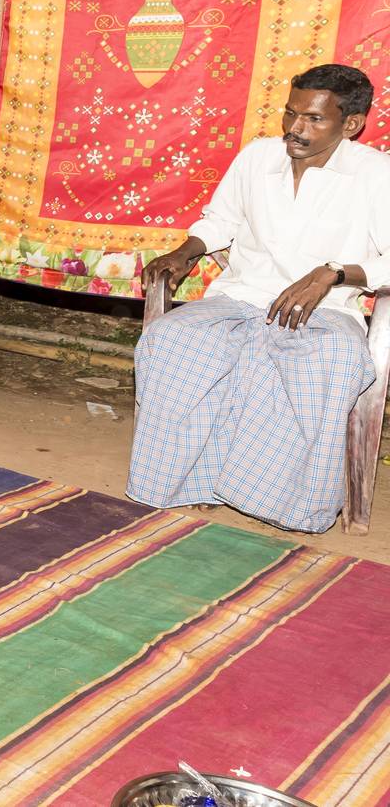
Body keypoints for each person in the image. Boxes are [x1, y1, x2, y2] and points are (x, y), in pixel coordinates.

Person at [128, 65, 390, 533]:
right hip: (241, 297)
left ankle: (281, 501)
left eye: (313, 119)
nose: (295, 128)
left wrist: (334, 273)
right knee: (173, 340)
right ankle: (189, 482)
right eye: (290, 114)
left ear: (350, 124)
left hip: (325, 311)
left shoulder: (374, 173)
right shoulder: (257, 157)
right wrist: (185, 251)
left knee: (330, 360)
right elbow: (219, 221)